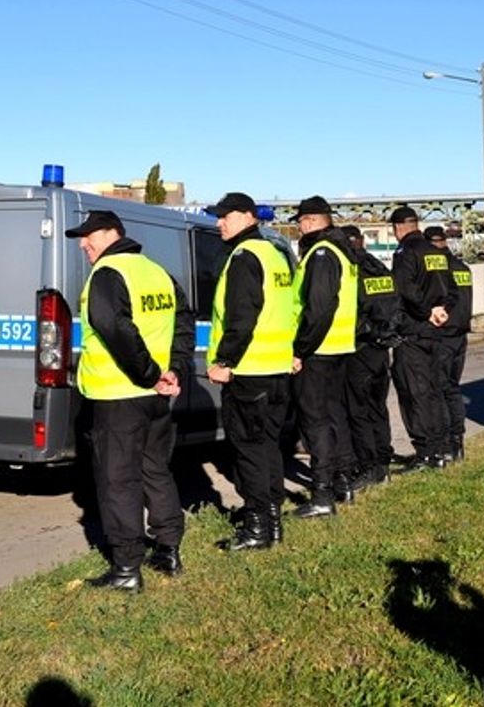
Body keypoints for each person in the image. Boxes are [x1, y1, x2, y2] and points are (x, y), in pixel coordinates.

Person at [65, 210, 195, 592]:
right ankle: (168, 550)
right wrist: (173, 369)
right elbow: (184, 321)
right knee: (156, 470)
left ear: (111, 234)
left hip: (119, 395)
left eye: (88, 235)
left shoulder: (108, 275)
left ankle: (125, 569)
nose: (82, 243)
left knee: (118, 480)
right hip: (153, 399)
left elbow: (115, 328)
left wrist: (152, 374)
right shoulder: (157, 272)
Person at [204, 192, 296, 550]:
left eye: (224, 216)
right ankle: (271, 522)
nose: (218, 222)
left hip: (249, 372)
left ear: (246, 216)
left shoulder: (244, 257)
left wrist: (225, 361)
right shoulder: (274, 255)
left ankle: (257, 528)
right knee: (268, 448)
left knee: (249, 451)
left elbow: (243, 317)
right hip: (275, 369)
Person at [290, 195, 359, 517]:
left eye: (301, 221)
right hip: (339, 347)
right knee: (334, 417)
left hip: (318, 349)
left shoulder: (321, 253)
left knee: (315, 422)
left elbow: (319, 308)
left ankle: (321, 494)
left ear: (313, 221)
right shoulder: (341, 249)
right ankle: (343, 481)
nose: (299, 227)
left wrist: (301, 348)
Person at [388, 207, 456, 470]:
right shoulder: (435, 251)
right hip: (435, 331)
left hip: (414, 332)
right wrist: (442, 311)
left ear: (397, 228)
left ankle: (425, 453)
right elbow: (451, 288)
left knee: (413, 394)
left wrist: (426, 312)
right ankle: (440, 448)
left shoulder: (406, 252)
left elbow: (404, 289)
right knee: (433, 391)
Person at [341, 225, 403, 490]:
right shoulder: (379, 268)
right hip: (381, 349)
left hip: (359, 348)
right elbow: (395, 308)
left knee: (358, 411)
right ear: (363, 241)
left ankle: (368, 467)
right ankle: (382, 462)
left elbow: (350, 312)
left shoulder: (352, 270)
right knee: (377, 408)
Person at [424, 225, 473, 462]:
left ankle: (445, 444)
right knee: (452, 388)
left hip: (443, 336)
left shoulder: (439, 270)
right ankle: (458, 443)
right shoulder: (463, 268)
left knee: (440, 389)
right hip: (461, 336)